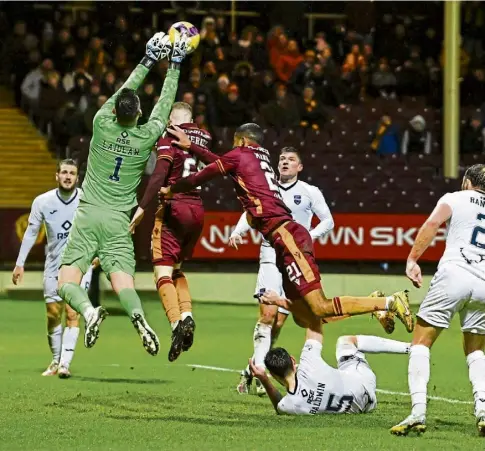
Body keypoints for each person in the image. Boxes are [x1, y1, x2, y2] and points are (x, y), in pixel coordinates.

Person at [161, 123, 414, 335]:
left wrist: (171, 189)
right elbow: (220, 164)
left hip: (286, 235)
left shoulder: (240, 155)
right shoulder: (261, 160)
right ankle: (375, 304)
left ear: (240, 141)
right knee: (306, 316)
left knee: (320, 307)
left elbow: (200, 176)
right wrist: (192, 146)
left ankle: (389, 301)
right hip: (283, 239)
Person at [57, 32, 188, 356]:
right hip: (119, 219)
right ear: (138, 114)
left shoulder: (102, 122)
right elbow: (164, 105)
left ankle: (88, 312)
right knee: (123, 282)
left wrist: (147, 59)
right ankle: (139, 318)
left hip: (88, 214)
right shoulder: (146, 135)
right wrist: (174, 65)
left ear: (116, 111)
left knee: (66, 282)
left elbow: (122, 92)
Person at [228, 147, 334, 395]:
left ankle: (251, 370)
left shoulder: (310, 192)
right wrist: (237, 231)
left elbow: (328, 220)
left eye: (291, 160)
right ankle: (260, 373)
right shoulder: (267, 189)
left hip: (296, 260)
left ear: (300, 167)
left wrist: (309, 235)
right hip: (269, 255)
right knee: (267, 315)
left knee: (278, 323)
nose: (285, 162)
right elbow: (250, 212)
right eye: (282, 159)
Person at [391, 164, 485, 437]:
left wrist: (412, 260)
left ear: (467, 181)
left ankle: (417, 412)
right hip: (483, 283)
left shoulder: (454, 198)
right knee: (476, 349)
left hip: (455, 275)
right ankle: (483, 410)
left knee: (421, 342)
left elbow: (432, 224)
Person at [129, 102, 212, 362]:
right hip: (198, 211)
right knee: (177, 270)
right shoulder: (204, 138)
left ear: (172, 120)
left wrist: (142, 207)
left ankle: (176, 324)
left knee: (161, 273)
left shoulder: (169, 139)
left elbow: (159, 175)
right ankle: (187, 315)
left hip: (173, 210)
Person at [249, 295, 410, 415]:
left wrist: (264, 379)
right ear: (292, 360)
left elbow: (279, 406)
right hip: (364, 384)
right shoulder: (308, 364)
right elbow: (315, 318)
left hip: (364, 406)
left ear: (274, 376)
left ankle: (373, 304)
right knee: (345, 342)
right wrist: (281, 302)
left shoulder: (289, 406)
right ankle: (410, 348)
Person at [12, 160, 95, 378]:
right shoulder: (43, 201)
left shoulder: (87, 200)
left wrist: (97, 254)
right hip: (53, 265)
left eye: (72, 173)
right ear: (56, 175)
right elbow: (31, 232)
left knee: (71, 312)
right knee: (52, 314)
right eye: (64, 172)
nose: (68, 176)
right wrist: (21, 263)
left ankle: (64, 364)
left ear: (77, 178)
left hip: (79, 264)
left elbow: (98, 228)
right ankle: (55, 360)